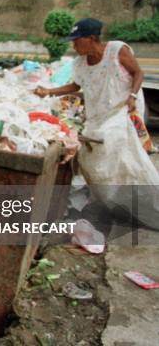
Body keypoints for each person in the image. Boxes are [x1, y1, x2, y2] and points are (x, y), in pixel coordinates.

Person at [35, 18, 159, 230]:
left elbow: (138, 73)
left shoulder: (117, 51)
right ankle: (118, 205)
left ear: (92, 38)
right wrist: (48, 91)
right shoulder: (80, 63)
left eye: (77, 41)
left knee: (122, 153)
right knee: (89, 159)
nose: (74, 46)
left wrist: (132, 95)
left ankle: (151, 207)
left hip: (122, 111)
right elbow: (75, 85)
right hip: (97, 118)